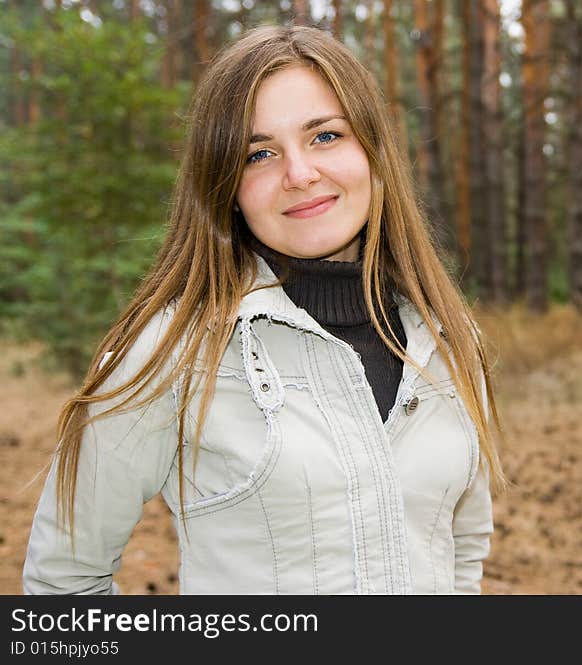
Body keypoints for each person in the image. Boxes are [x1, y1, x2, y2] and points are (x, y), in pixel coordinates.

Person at [23, 24, 504, 595]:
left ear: (373, 149)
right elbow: (64, 585)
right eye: (260, 153)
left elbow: (460, 553)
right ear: (225, 183)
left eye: (325, 136)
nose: (299, 175)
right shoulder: (172, 348)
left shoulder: (445, 335)